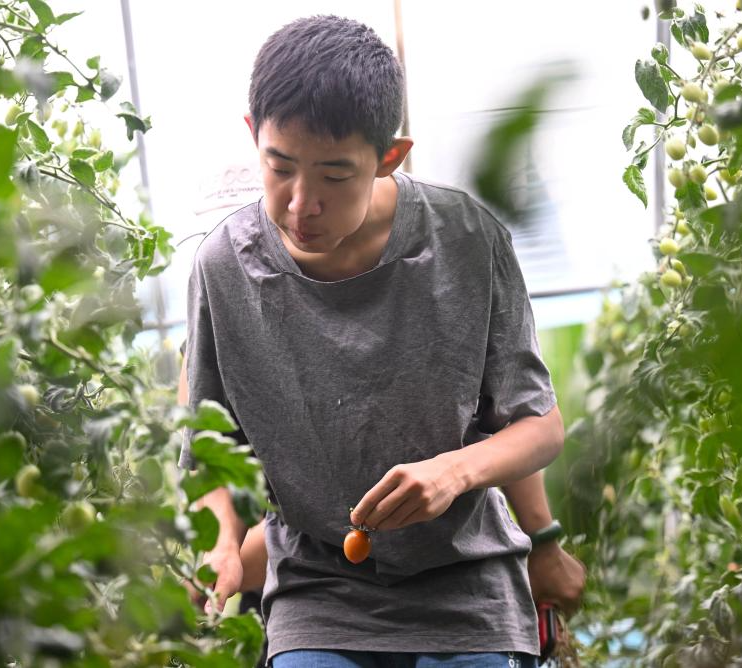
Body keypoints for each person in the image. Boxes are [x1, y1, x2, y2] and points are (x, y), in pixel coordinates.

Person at [179, 14, 573, 667]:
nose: (302, 204)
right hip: (319, 591)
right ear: (254, 138)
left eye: (335, 176)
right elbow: (211, 448)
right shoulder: (223, 270)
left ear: (390, 156)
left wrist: (454, 473)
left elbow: (541, 427)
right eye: (279, 168)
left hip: (468, 584)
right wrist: (221, 538)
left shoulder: (467, 239)